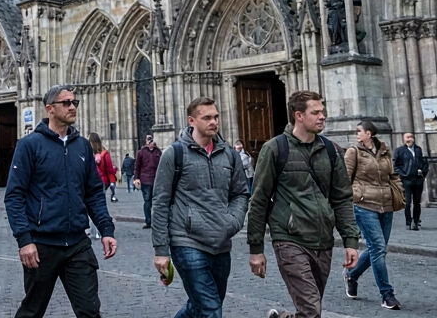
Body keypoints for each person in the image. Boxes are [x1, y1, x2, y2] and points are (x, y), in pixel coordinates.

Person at [6, 85, 116, 318]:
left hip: (77, 243)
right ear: (50, 109)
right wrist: (24, 240)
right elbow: (14, 196)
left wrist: (106, 229)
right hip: (41, 244)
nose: (72, 107)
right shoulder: (30, 145)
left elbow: (94, 192)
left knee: (90, 311)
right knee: (32, 311)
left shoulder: (82, 145)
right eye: (66, 103)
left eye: (75, 102)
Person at [248, 91, 360, 318]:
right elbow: (259, 200)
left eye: (322, 111)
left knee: (309, 309)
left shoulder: (331, 151)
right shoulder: (274, 149)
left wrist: (350, 241)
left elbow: (341, 198)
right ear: (299, 115)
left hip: (323, 240)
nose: (322, 116)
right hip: (289, 239)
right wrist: (256, 249)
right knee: (311, 310)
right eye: (315, 112)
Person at [152, 97, 248, 318]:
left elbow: (241, 193)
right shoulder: (174, 153)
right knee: (210, 309)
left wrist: (233, 221)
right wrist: (161, 251)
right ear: (192, 120)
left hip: (221, 243)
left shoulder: (230, 155)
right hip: (187, 240)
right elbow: (160, 202)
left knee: (200, 307)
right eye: (207, 118)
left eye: (216, 117)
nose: (214, 122)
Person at [342, 120, 401, 309]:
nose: (357, 134)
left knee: (378, 248)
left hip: (386, 204)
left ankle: (351, 275)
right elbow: (344, 179)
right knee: (378, 248)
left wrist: (398, 191)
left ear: (369, 133)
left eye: (359, 131)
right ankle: (387, 294)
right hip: (364, 205)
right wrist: (353, 198)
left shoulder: (384, 150)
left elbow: (392, 174)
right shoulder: (353, 152)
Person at [392, 132, 427, 230]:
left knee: (417, 202)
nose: (409, 139)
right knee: (407, 202)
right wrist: (403, 174)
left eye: (411, 137)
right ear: (404, 139)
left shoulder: (418, 149)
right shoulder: (399, 151)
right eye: (407, 137)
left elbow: (424, 162)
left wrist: (423, 173)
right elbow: (395, 165)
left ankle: (416, 221)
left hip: (418, 179)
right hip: (406, 180)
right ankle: (408, 221)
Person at [134, 134, 163, 229]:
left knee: (158, 201)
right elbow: (137, 166)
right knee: (147, 201)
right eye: (149, 140)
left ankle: (158, 221)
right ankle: (148, 221)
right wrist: (136, 178)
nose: (150, 142)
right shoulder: (141, 152)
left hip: (157, 180)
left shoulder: (158, 152)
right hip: (145, 180)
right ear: (146, 141)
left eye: (151, 139)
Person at [89, 132, 118, 204]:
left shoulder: (87, 153)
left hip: (92, 181)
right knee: (100, 201)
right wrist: (114, 170)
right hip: (101, 180)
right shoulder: (104, 153)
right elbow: (109, 167)